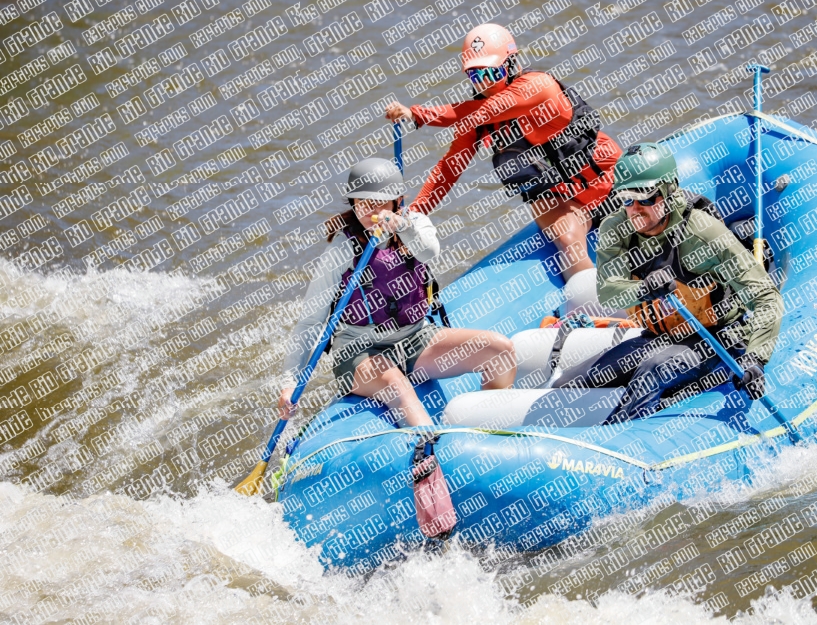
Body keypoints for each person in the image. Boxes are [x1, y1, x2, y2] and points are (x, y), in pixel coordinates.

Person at [553, 143, 785, 421]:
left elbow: (766, 298)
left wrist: (755, 359)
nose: (635, 209)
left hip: (713, 339)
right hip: (657, 337)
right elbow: (609, 294)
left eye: (646, 198)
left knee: (653, 370)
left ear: (668, 190)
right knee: (568, 385)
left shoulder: (703, 233)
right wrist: (644, 289)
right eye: (626, 199)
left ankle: (622, 440)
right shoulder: (615, 229)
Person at [277, 158, 516, 427]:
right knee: (396, 384)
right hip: (359, 352)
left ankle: (494, 431)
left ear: (398, 202)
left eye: (379, 203)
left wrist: (401, 226)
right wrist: (289, 384)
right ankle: (427, 459)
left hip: (415, 338)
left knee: (500, 349)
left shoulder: (415, 225)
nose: (371, 212)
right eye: (362, 203)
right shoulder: (342, 247)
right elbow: (310, 321)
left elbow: (429, 251)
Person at [384, 23, 623, 285]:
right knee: (567, 240)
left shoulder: (538, 86)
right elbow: (450, 168)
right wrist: (413, 215)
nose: (484, 83)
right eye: (476, 76)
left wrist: (418, 113)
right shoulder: (476, 116)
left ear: (511, 65)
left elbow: (486, 109)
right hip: (561, 200)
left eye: (491, 72)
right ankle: (594, 308)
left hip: (609, 182)